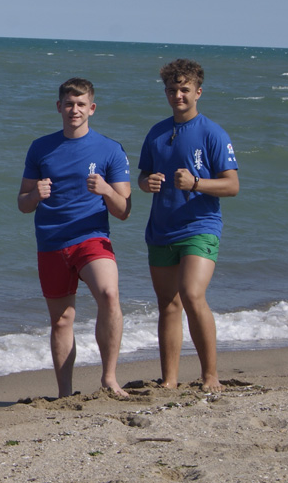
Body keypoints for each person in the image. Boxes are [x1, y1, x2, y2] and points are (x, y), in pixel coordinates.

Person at [18, 79, 132, 399]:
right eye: (69, 104)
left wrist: (106, 190)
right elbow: (23, 203)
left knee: (109, 294)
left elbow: (124, 210)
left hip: (91, 237)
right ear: (59, 107)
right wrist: (35, 195)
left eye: (81, 104)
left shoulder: (111, 149)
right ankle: (65, 394)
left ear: (91, 108)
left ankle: (109, 378)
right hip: (52, 241)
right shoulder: (41, 148)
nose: (74, 110)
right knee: (61, 320)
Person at [139, 59, 239, 391]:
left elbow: (232, 185)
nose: (178, 96)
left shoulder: (213, 132)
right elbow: (142, 175)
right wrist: (146, 183)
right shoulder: (156, 132)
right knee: (168, 304)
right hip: (161, 229)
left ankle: (210, 375)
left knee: (192, 294)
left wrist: (196, 183)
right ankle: (169, 380)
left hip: (200, 226)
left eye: (184, 89)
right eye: (172, 90)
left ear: (198, 92)